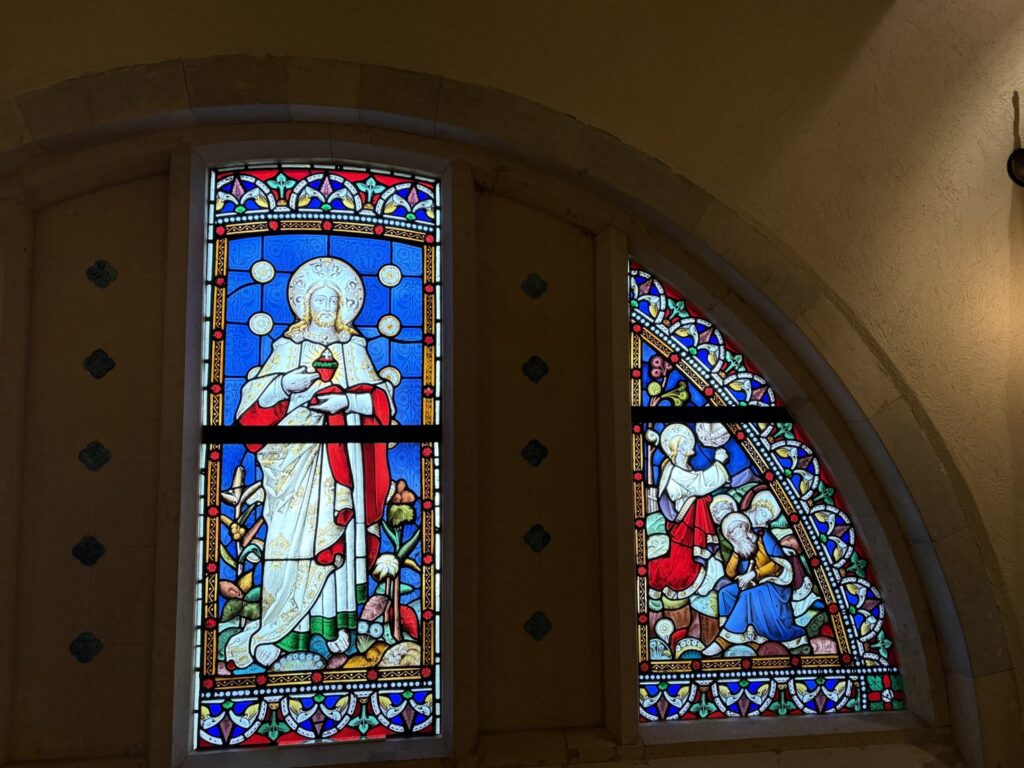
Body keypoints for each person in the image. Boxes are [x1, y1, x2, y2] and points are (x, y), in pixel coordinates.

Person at [225, 257, 394, 669]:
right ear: (304, 305)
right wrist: (286, 384)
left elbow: (381, 401)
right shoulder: (288, 346)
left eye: (333, 301)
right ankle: (279, 630)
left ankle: (336, 627)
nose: (326, 307)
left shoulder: (354, 347)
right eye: (318, 300)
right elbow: (252, 401)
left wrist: (346, 400)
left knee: (339, 544)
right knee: (291, 542)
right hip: (292, 463)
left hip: (342, 462)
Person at [647, 425, 730, 612]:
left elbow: (696, 482)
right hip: (683, 524)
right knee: (681, 567)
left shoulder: (684, 470)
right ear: (676, 449)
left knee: (686, 562)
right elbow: (698, 485)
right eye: (684, 444)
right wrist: (718, 463)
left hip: (689, 524)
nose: (689, 445)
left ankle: (713, 576)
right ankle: (655, 577)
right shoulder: (674, 472)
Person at [703, 512, 807, 655]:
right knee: (725, 593)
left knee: (748, 594)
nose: (735, 535)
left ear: (744, 526)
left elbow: (778, 564)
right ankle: (742, 634)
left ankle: (723, 641)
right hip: (753, 583)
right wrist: (735, 553)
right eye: (731, 534)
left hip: (776, 584)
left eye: (736, 530)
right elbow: (730, 574)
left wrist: (754, 574)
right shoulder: (740, 548)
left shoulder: (763, 536)